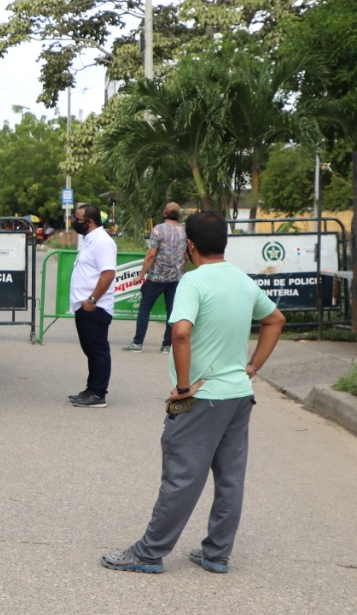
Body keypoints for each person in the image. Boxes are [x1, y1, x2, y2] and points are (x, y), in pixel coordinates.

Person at [101, 211, 286, 574]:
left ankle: (148, 552)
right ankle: (217, 554)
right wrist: (252, 367)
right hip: (238, 395)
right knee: (230, 478)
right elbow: (275, 319)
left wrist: (183, 388)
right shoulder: (243, 281)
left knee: (181, 475)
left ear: (190, 245)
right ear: (224, 243)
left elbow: (181, 333)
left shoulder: (193, 282)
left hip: (203, 396)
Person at [67, 204, 117, 408]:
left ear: (90, 221)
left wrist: (92, 300)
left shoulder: (102, 242)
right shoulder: (89, 240)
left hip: (95, 307)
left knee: (98, 350)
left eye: (78, 218)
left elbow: (108, 274)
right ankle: (91, 388)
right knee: (91, 350)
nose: (74, 221)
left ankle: (98, 394)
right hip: (85, 306)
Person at [124, 202, 186, 353]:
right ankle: (167, 345)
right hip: (175, 278)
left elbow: (151, 254)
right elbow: (185, 254)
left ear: (165, 213)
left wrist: (141, 274)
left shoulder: (158, 229)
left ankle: (138, 343)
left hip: (157, 276)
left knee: (145, 308)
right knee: (171, 311)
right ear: (178, 215)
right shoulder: (184, 232)